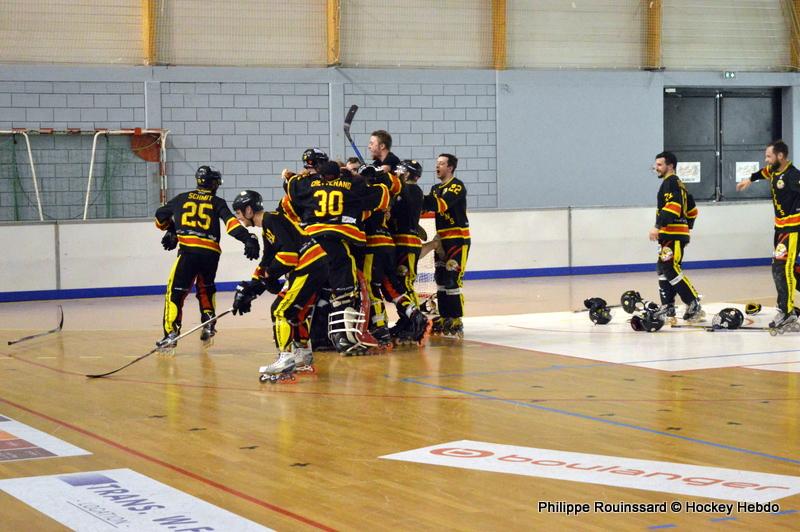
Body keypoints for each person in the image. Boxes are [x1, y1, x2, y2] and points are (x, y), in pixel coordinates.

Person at [285, 158, 389, 354]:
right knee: (344, 294)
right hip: (336, 244)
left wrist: (295, 176)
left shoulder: (307, 185)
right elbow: (382, 196)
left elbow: (291, 185)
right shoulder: (351, 186)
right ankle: (344, 340)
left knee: (311, 295)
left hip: (310, 246)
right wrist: (371, 177)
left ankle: (304, 340)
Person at [154, 166, 259, 348]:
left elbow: (160, 216)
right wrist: (247, 239)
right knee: (206, 289)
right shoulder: (217, 202)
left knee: (175, 292)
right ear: (213, 184)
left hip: (187, 253)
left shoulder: (181, 198)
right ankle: (209, 323)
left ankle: (171, 333)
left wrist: (170, 229)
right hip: (210, 254)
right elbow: (231, 224)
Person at [230, 190, 328, 379]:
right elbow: (268, 259)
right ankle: (303, 356)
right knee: (295, 312)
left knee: (280, 311)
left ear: (249, 210)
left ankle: (285, 359)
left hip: (309, 267)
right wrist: (250, 288)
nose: (238, 218)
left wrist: (268, 276)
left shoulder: (271, 220)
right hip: (313, 266)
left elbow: (289, 256)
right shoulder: (269, 225)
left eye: (239, 213)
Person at [736, 140, 800, 329]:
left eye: (769, 156)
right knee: (783, 269)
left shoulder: (793, 176)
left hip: (793, 229)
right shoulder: (773, 170)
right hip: (780, 229)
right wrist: (750, 179)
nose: (766, 159)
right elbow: (763, 172)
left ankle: (787, 312)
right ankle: (786, 309)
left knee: (782, 268)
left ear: (780, 156)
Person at [649, 151, 702, 322]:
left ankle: (693, 302)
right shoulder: (680, 185)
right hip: (671, 234)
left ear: (670, 166)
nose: (656, 168)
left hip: (671, 233)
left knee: (670, 268)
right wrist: (687, 228)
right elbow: (692, 211)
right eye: (656, 165)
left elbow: (673, 206)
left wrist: (657, 226)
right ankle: (668, 306)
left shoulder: (670, 182)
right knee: (663, 269)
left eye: (659, 165)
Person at [422, 153, 470, 337]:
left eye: (441, 163)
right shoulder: (435, 188)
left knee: (452, 278)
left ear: (450, 167)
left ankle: (456, 318)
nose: (437, 166)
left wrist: (417, 196)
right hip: (441, 238)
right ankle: (444, 315)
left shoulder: (457, 186)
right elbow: (426, 206)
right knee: (440, 279)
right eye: (437, 163)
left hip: (457, 238)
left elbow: (441, 205)